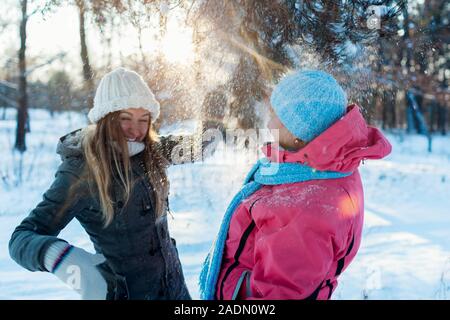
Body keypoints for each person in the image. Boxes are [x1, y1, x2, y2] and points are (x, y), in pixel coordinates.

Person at [199, 70, 392, 300]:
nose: (268, 123)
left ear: (299, 132)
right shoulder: (316, 168)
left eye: (276, 116)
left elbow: (282, 294)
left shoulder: (309, 206)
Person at [9, 67, 193, 300]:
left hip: (175, 291)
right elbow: (21, 237)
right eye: (125, 119)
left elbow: (196, 147)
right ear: (106, 119)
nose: (136, 130)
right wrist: (66, 261)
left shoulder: (150, 153)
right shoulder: (83, 171)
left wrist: (214, 121)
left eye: (143, 120)